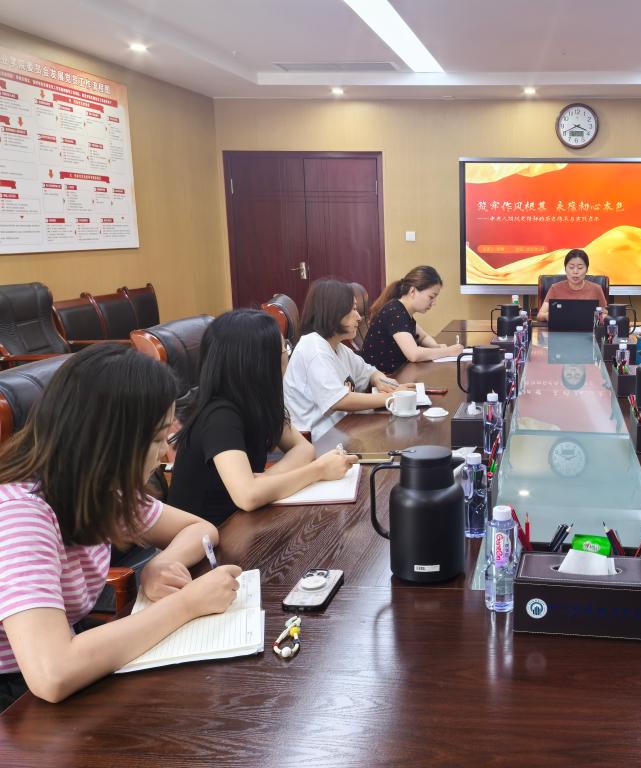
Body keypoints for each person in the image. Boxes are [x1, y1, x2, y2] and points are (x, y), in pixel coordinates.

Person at [0, 345, 242, 708]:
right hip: (15, 695)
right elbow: (52, 673)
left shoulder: (100, 488)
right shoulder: (21, 514)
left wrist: (163, 562)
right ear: (110, 441)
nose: (164, 454)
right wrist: (187, 604)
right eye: (157, 439)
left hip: (63, 657)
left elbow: (201, 529)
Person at [169, 310, 357, 526]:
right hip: (211, 535)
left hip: (243, 521)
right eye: (284, 349)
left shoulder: (258, 400)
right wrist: (319, 470)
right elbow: (248, 496)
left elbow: (304, 448)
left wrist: (267, 480)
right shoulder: (219, 415)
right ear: (260, 363)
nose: (287, 355)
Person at [285, 278, 417, 441]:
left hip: (341, 427)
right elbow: (339, 400)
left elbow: (369, 371)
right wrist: (393, 397)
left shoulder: (337, 347)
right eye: (353, 309)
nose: (359, 317)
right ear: (334, 311)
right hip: (317, 439)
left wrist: (382, 381)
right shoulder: (314, 348)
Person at [361, 266, 462, 373]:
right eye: (431, 297)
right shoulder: (395, 312)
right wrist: (448, 351)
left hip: (396, 373)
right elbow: (414, 354)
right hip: (381, 377)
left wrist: (435, 347)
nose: (434, 303)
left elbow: (423, 337)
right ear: (412, 291)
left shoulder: (403, 311)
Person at [536, 249, 609, 322]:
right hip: (561, 328)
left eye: (580, 268)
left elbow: (605, 314)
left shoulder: (596, 289)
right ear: (565, 269)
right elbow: (540, 315)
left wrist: (601, 317)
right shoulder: (555, 288)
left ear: (587, 269)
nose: (575, 271)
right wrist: (549, 316)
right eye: (571, 267)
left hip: (588, 328)